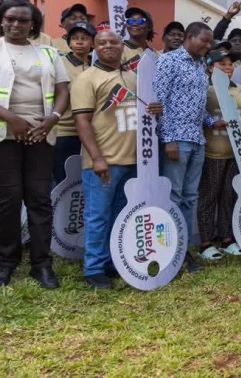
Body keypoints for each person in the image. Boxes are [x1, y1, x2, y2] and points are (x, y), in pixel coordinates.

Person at [0, 0, 70, 288]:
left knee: (39, 198)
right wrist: (11, 119)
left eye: (23, 20)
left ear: (33, 24)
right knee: (9, 199)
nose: (15, 24)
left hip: (40, 133)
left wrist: (52, 118)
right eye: (10, 19)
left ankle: (41, 265)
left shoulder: (50, 53)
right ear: (0, 20)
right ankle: (7, 263)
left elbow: (63, 91)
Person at [72, 30, 162, 289]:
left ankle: (114, 262)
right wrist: (96, 157)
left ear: (122, 46)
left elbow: (148, 110)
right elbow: (82, 121)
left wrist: (156, 108)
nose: (109, 46)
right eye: (102, 42)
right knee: (97, 216)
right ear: (94, 47)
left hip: (134, 161)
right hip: (104, 162)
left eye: (114, 42)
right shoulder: (86, 79)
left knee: (121, 215)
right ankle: (93, 269)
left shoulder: (134, 77)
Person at [153, 21, 215, 273]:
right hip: (176, 140)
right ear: (189, 37)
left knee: (190, 198)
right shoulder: (169, 61)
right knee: (173, 196)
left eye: (210, 42)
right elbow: (158, 100)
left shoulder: (201, 64)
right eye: (205, 41)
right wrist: (167, 139)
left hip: (197, 139)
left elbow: (196, 104)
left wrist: (212, 121)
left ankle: (184, 250)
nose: (208, 46)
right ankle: (169, 250)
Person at [197, 47, 241, 261]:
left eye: (230, 64)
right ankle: (206, 242)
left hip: (236, 151)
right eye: (222, 64)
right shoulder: (204, 88)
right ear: (210, 67)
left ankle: (226, 238)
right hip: (213, 152)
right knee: (209, 196)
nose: (228, 68)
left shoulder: (239, 89)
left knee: (229, 195)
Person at [53, 21, 96, 185]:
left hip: (92, 133)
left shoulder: (97, 64)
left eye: (84, 38)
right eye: (75, 38)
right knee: (63, 182)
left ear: (92, 42)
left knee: (85, 181)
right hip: (65, 131)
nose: (79, 42)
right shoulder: (59, 63)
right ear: (69, 42)